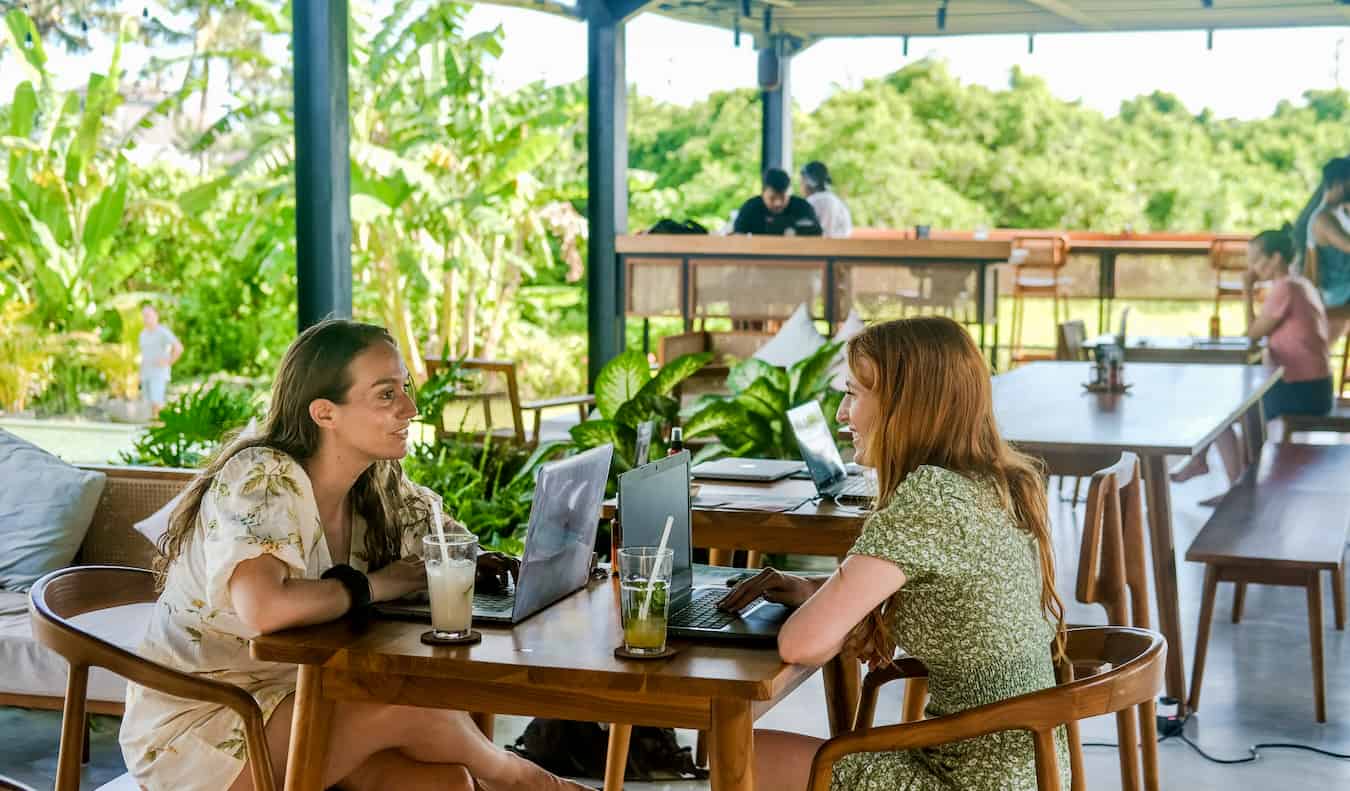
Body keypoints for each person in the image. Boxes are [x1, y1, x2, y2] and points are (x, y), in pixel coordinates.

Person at [119, 319, 589, 791]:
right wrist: (385, 584)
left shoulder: (376, 484)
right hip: (205, 722)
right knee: (411, 707)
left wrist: (499, 559)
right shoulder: (260, 477)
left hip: (301, 698)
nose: (411, 407)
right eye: (387, 395)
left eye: (404, 388)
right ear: (325, 413)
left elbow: (448, 544)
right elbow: (264, 608)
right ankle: (531, 782)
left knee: (448, 784)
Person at [718, 316, 1069, 791]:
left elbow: (800, 645)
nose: (843, 414)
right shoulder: (994, 483)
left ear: (906, 406)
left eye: (854, 395)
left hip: (971, 779)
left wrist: (830, 605)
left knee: (743, 753)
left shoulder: (932, 498)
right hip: (1028, 767)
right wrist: (813, 590)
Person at [1172, 225, 1334, 487]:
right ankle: (1231, 481)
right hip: (1316, 388)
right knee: (1236, 404)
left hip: (1305, 392)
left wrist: (1246, 291)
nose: (1252, 268)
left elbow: (1251, 335)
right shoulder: (1299, 283)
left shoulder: (1285, 288)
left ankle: (1236, 490)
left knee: (1221, 411)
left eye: (1256, 260)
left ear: (1276, 258)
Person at [732, 168, 823, 236]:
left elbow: (817, 236)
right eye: (772, 198)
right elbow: (738, 236)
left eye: (783, 197)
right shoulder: (751, 207)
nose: (778, 203)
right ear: (763, 193)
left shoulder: (803, 207)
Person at [139, 303, 183, 418]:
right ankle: (150, 429)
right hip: (145, 374)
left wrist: (168, 361)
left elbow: (178, 348)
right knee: (148, 405)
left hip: (158, 374)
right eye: (144, 315)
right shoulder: (142, 334)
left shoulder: (163, 332)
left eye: (148, 315)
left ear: (156, 316)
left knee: (157, 403)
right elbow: (143, 356)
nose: (146, 318)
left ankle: (160, 428)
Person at [800, 161, 853, 238]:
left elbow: (822, 235)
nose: (801, 187)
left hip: (823, 247)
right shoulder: (836, 200)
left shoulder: (816, 201)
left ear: (809, 182)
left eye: (801, 182)